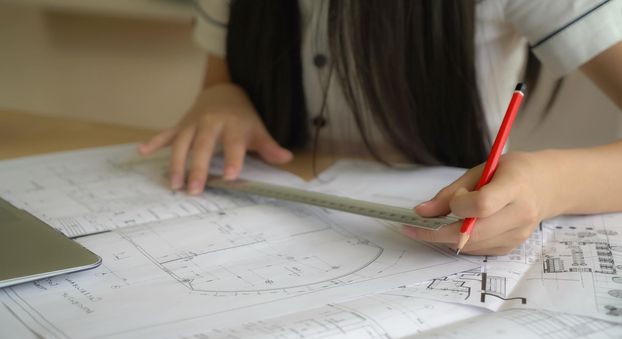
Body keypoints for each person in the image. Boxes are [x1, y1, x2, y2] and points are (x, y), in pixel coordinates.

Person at [138, 0, 622, 255]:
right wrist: (221, 97)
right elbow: (219, 83)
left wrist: (549, 185)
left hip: (447, 242)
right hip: (268, 217)